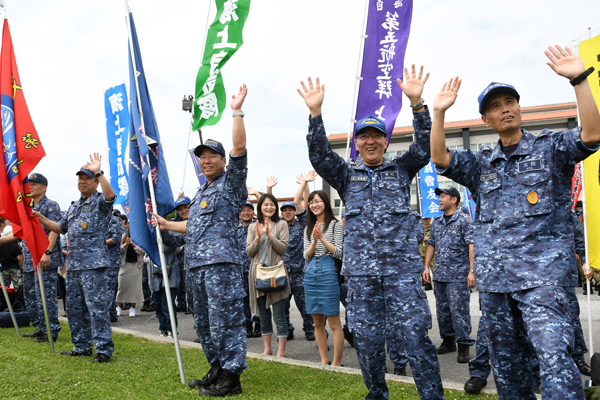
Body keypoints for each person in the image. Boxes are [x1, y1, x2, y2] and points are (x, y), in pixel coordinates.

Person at [429, 45, 600, 399]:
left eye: (510, 102)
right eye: (495, 106)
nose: (504, 109)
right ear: (485, 120)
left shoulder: (550, 148)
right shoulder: (481, 164)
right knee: (508, 369)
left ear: (519, 108)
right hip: (495, 285)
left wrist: (579, 80)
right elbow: (440, 156)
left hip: (543, 281)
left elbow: (592, 135)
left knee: (554, 358)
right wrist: (439, 113)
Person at [298, 67, 445, 400]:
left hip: (401, 274)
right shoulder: (348, 177)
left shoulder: (401, 169)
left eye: (376, 136)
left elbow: (424, 148)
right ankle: (377, 394)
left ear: (385, 140)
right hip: (362, 277)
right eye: (363, 136)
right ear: (358, 144)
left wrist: (418, 104)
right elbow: (320, 156)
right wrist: (315, 114)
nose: (369, 141)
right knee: (366, 340)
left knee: (415, 338)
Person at [152, 84, 249, 397]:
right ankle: (217, 368)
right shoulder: (201, 192)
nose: (206, 161)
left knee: (226, 322)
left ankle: (231, 378)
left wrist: (236, 111)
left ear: (222, 161)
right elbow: (194, 225)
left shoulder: (231, 184)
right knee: (205, 324)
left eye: (212, 156)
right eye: (202, 157)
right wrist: (169, 223)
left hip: (221, 266)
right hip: (196, 267)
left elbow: (239, 150)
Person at [36, 153, 116, 363]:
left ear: (95, 181)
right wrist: (39, 217)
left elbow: (110, 196)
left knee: (97, 309)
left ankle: (103, 349)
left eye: (87, 178)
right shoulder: (73, 207)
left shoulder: (100, 201)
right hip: (73, 267)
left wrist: (99, 171)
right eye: (80, 178)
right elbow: (58, 227)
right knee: (74, 309)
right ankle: (81, 346)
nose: (82, 181)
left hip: (93, 266)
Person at [7, 173, 64, 343]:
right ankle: (40, 326)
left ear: (44, 187)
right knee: (32, 296)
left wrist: (48, 252)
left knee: (45, 295)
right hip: (30, 258)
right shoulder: (27, 206)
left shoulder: (50, 206)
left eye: (34, 183)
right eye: (29, 183)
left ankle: (51, 330)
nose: (30, 186)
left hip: (45, 258)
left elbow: (55, 230)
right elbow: (22, 233)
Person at [423, 186, 475, 363]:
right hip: (440, 275)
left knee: (459, 311)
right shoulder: (437, 222)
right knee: (443, 311)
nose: (439, 199)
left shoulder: (464, 221)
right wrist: (426, 267)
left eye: (443, 196)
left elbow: (471, 246)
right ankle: (448, 341)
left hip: (458, 276)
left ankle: (463, 345)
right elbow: (431, 245)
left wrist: (472, 271)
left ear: (453, 199)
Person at [246, 193, 290, 356]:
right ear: (260, 207)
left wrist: (270, 236)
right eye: (265, 205)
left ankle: (281, 351)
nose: (269, 207)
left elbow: (282, 249)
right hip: (258, 275)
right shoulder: (252, 227)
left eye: (272, 204)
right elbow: (249, 252)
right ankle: (267, 349)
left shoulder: (282, 225)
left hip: (275, 274)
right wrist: (257, 238)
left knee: (279, 315)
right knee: (263, 315)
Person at [303, 190, 344, 366]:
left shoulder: (336, 225)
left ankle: (336, 362)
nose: (314, 205)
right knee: (317, 322)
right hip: (311, 273)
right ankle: (324, 360)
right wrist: (314, 241)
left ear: (325, 203)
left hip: (328, 271)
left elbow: (340, 253)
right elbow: (306, 255)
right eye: (311, 202)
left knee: (334, 321)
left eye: (318, 201)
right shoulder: (308, 227)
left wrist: (322, 239)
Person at [282, 171, 316, 342]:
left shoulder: (301, 224)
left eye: (290, 210)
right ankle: (287, 329)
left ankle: (309, 329)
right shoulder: (278, 226)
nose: (288, 212)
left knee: (305, 304)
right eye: (285, 210)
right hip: (284, 273)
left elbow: (305, 203)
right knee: (284, 305)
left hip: (300, 272)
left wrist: (305, 184)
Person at [151, 230, 184, 337]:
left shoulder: (171, 233)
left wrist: (162, 232)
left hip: (170, 276)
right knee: (158, 305)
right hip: (156, 275)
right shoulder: (151, 234)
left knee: (167, 305)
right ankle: (162, 328)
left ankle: (171, 329)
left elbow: (166, 247)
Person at [237, 199, 259, 338]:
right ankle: (247, 325)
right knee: (243, 299)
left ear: (253, 212)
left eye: (249, 210)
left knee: (258, 298)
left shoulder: (257, 226)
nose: (246, 213)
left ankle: (259, 324)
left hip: (256, 269)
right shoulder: (235, 228)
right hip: (239, 270)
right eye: (243, 210)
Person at [116, 229, 145, 317]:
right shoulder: (123, 237)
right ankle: (118, 306)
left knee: (135, 288)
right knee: (121, 286)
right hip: (124, 265)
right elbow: (118, 250)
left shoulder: (140, 238)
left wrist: (133, 245)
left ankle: (132, 308)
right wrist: (126, 244)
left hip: (136, 266)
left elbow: (142, 251)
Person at [173, 195, 191, 313]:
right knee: (182, 284)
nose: (183, 211)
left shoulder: (203, 220)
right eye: (180, 209)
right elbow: (175, 239)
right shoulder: (179, 222)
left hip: (204, 265)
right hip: (184, 261)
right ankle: (183, 303)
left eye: (186, 207)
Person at [105, 211, 124, 323]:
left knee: (109, 289)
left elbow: (115, 239)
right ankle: (111, 315)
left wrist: (98, 243)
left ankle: (107, 316)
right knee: (104, 289)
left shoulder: (115, 220)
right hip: (99, 260)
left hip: (111, 261)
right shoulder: (99, 219)